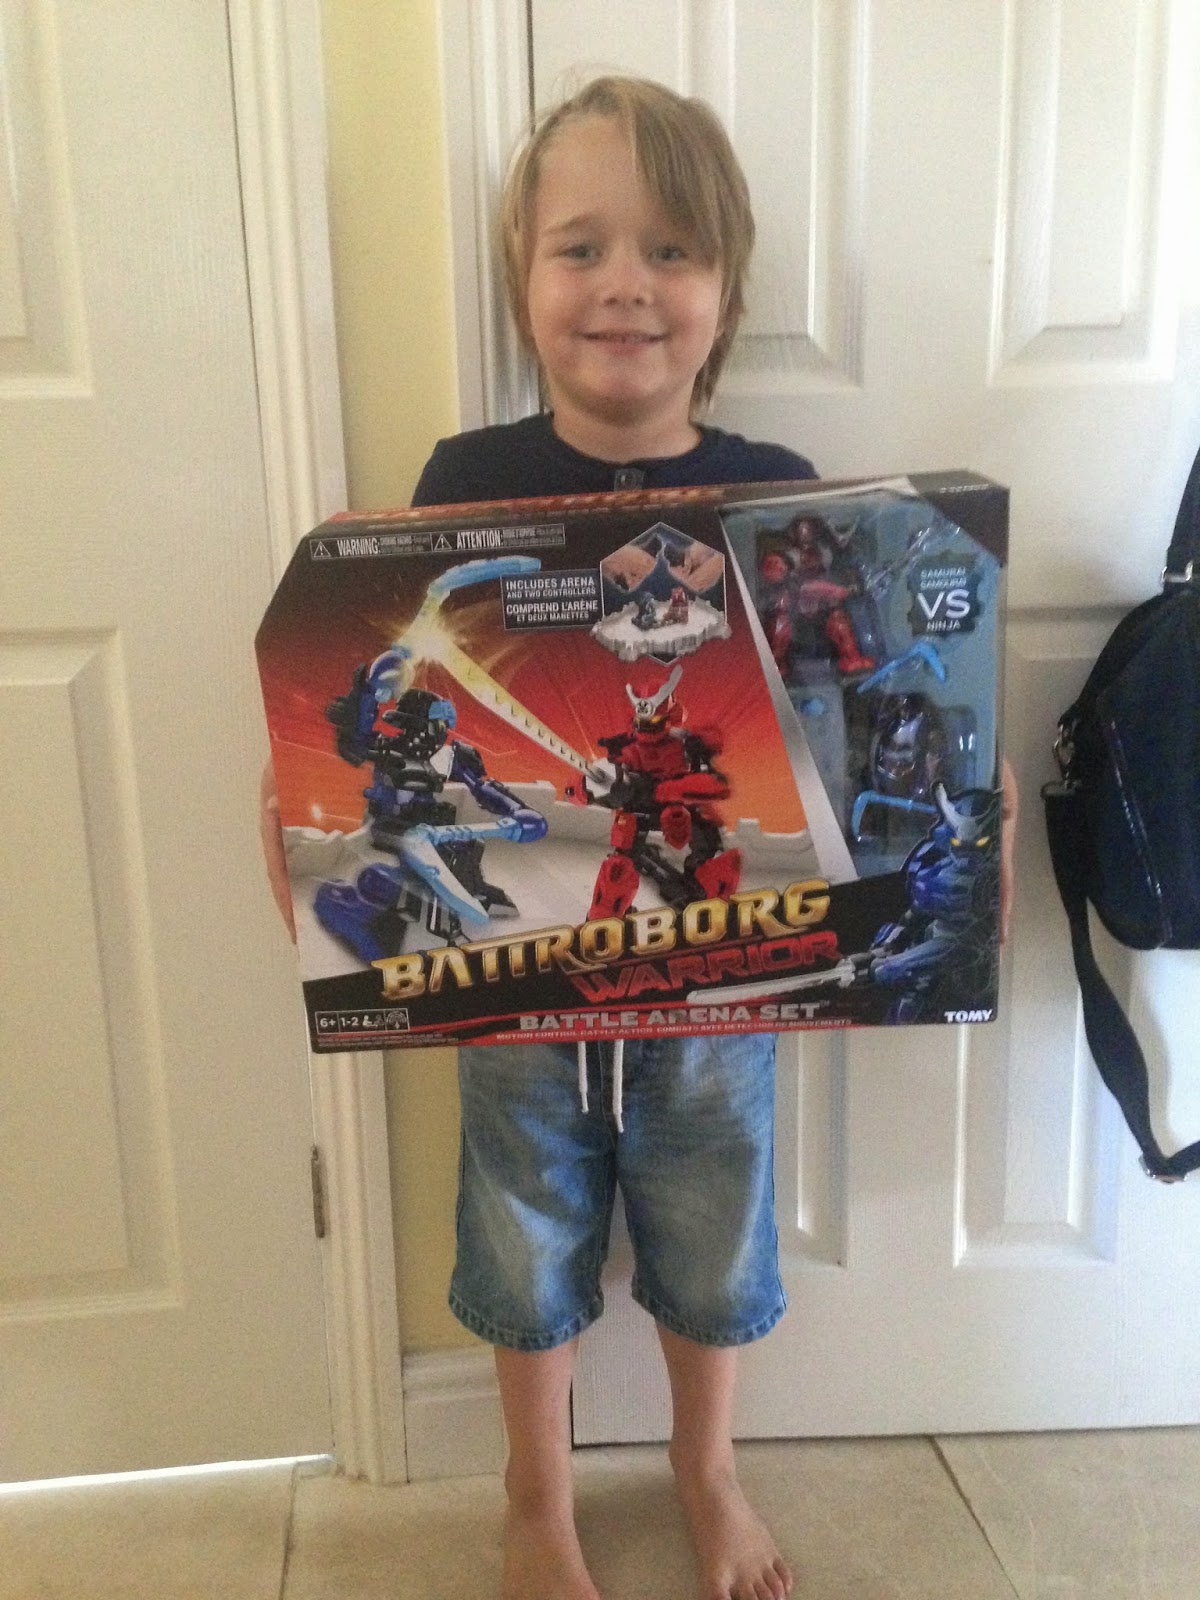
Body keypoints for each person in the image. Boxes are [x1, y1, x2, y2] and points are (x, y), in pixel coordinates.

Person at [261, 75, 1019, 1600]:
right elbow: (385, 686)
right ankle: (533, 1494)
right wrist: (302, 821)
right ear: (522, 275)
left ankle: (704, 1464)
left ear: (726, 287)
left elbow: (867, 711)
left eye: (670, 249)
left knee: (713, 1205)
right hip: (518, 974)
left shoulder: (783, 502)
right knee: (520, 1211)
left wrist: (960, 811)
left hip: (724, 974)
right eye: (582, 247)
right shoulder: (464, 486)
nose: (625, 284)